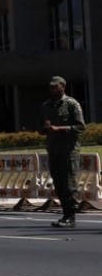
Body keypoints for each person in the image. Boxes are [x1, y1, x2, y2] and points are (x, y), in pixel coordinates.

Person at [40, 76, 85, 228]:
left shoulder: (72, 104)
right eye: (51, 87)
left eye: (55, 87)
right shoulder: (46, 106)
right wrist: (44, 129)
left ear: (62, 87)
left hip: (68, 150)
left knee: (69, 184)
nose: (52, 89)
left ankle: (70, 216)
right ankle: (65, 213)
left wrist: (59, 129)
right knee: (58, 182)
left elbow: (80, 127)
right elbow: (41, 127)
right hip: (53, 149)